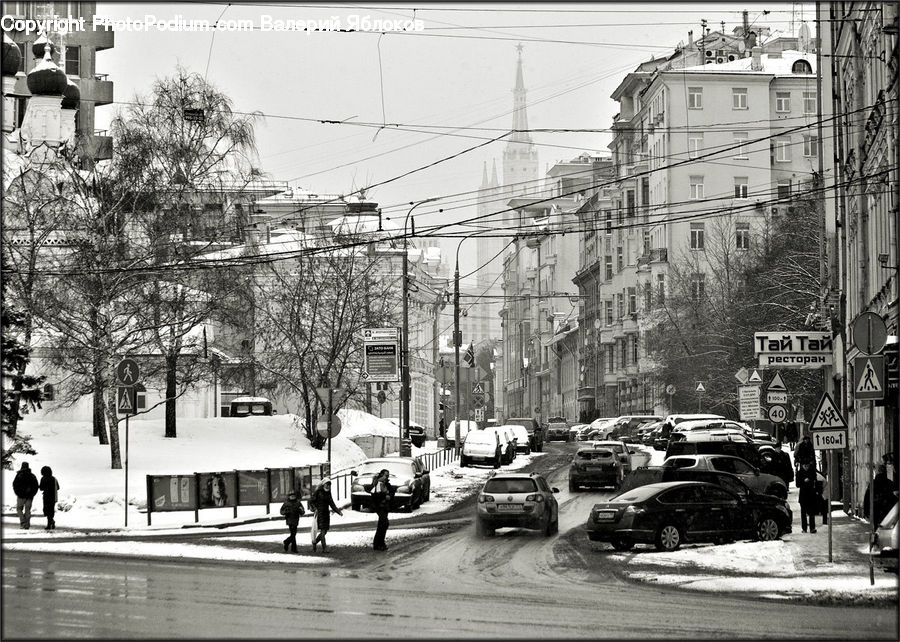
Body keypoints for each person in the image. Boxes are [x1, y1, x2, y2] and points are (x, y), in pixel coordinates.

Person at [308, 480, 343, 553]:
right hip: (319, 514)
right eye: (327, 484)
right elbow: (311, 501)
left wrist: (338, 511)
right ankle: (324, 548)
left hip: (326, 514)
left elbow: (331, 503)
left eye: (329, 485)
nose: (328, 486)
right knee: (323, 532)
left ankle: (314, 542)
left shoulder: (328, 493)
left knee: (325, 531)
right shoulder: (318, 492)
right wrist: (314, 508)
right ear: (323, 484)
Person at [863, 464, 896, 531]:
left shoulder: (873, 483)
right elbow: (894, 499)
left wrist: (866, 511)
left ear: (877, 472)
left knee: (875, 528)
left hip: (875, 509)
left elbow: (867, 498)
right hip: (887, 510)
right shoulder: (890, 483)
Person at [369, 469, 395, 551]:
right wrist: (385, 496)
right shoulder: (377, 484)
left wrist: (389, 496)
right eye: (386, 475)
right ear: (382, 475)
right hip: (379, 506)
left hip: (384, 506)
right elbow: (375, 495)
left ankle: (378, 543)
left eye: (388, 475)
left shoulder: (386, 483)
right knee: (384, 523)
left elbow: (392, 491)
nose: (387, 477)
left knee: (382, 524)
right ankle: (379, 543)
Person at [12, 462, 39, 529]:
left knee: (19, 509)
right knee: (28, 510)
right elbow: (36, 486)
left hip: (20, 496)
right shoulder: (32, 476)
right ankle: (27, 525)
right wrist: (32, 494)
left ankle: (23, 522)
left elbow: (14, 484)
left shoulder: (19, 475)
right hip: (29, 496)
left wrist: (17, 493)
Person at [796, 460, 820, 533]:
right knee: (803, 513)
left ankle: (812, 528)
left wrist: (810, 481)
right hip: (803, 495)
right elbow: (797, 484)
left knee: (811, 512)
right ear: (802, 466)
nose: (806, 467)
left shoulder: (812, 472)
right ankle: (804, 528)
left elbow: (815, 481)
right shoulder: (799, 473)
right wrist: (804, 481)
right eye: (804, 466)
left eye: (807, 466)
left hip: (811, 494)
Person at [38, 466, 59, 530]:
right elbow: (58, 487)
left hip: (46, 496)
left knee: (46, 510)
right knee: (51, 510)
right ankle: (50, 522)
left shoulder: (43, 478)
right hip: (53, 496)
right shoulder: (54, 479)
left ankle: (50, 523)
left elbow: (41, 488)